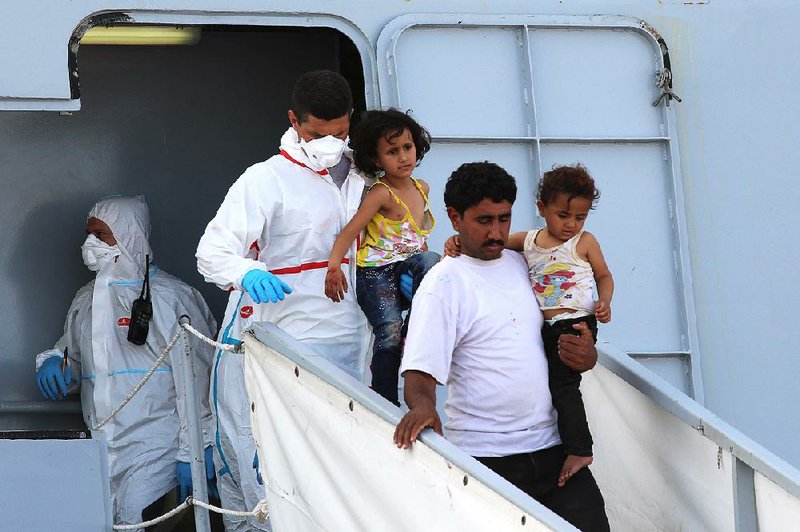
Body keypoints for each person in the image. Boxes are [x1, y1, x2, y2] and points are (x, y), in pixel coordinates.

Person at [196, 70, 371, 531]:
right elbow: (213, 251)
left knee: (346, 465)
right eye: (317, 133)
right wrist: (248, 271)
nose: (330, 143)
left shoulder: (369, 175)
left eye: (339, 132)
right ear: (294, 120)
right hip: (275, 341)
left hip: (352, 340)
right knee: (268, 468)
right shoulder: (265, 180)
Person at [394, 162, 610, 531]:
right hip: (486, 461)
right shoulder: (443, 284)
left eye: (504, 219)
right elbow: (419, 370)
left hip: (555, 448)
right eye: (484, 221)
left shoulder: (524, 261)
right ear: (454, 217)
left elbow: (562, 325)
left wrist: (587, 356)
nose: (496, 232)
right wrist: (425, 406)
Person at [34, 195, 218, 528]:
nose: (90, 243)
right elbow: (73, 355)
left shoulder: (170, 297)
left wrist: (196, 447)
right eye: (88, 234)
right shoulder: (86, 299)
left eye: (101, 235)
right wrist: (53, 363)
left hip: (158, 443)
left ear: (129, 234)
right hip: (102, 446)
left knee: (136, 518)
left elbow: (199, 378)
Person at [444, 163, 614, 486]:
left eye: (580, 217)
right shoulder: (530, 242)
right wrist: (454, 243)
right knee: (552, 384)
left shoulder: (584, 242)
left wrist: (604, 302)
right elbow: (492, 244)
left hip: (576, 322)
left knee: (564, 387)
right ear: (542, 209)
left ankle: (580, 448)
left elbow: (604, 275)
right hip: (549, 327)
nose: (571, 225)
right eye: (563, 216)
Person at [325, 109, 440, 406]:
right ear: (377, 161)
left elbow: (418, 241)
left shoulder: (422, 188)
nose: (403, 157)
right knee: (388, 331)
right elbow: (350, 232)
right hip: (376, 274)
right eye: (392, 152)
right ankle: (386, 402)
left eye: (407, 147)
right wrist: (334, 266)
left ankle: (412, 330)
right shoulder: (381, 193)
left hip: (407, 267)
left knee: (432, 261)